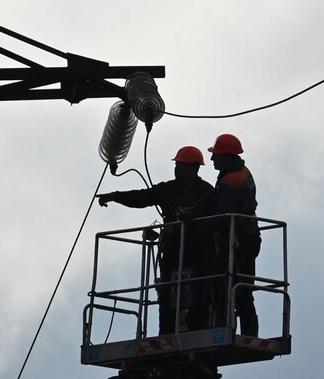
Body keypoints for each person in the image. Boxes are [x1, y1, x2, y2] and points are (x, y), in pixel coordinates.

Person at [98, 146, 214, 334]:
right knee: (167, 293)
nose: (176, 169)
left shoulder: (207, 192)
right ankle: (166, 333)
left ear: (193, 167)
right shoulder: (168, 189)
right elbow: (142, 197)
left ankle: (198, 329)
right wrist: (115, 196)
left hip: (199, 250)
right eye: (176, 165)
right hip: (172, 249)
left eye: (180, 165)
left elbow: (216, 216)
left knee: (199, 291)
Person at [206, 133, 261, 337]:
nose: (212, 159)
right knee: (243, 288)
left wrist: (201, 225)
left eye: (216, 155)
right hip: (248, 237)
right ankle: (249, 333)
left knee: (225, 285)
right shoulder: (241, 173)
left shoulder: (231, 180)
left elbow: (223, 214)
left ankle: (222, 328)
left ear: (228, 157)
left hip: (238, 241)